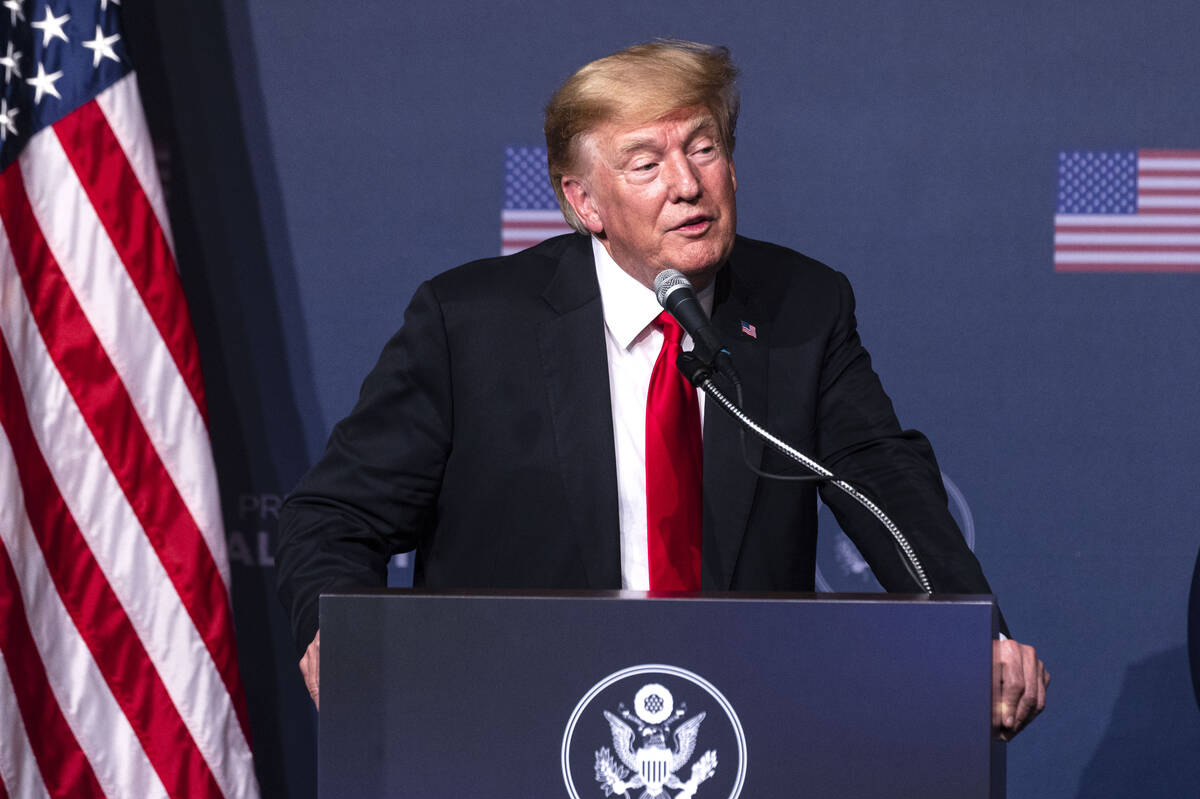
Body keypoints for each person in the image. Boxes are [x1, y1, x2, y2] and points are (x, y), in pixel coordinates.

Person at [276, 39, 1048, 738]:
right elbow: (336, 516)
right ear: (584, 203)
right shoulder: (472, 323)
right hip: (516, 724)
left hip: (743, 728)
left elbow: (884, 482)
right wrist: (340, 633)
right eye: (646, 164)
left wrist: (972, 637)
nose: (687, 184)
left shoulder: (801, 308)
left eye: (704, 149)